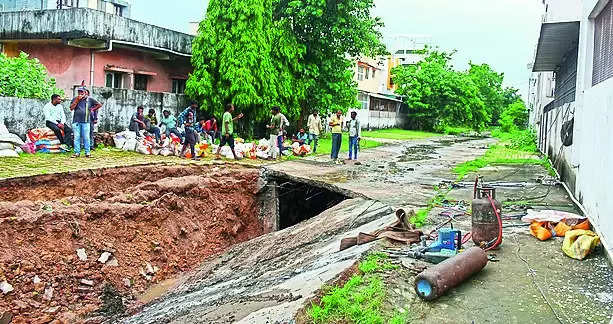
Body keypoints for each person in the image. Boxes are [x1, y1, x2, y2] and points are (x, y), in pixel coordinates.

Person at [70, 86, 101, 158]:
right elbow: (71, 108)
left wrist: (92, 109)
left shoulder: (89, 99)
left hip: (86, 121)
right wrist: (77, 100)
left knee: (86, 137)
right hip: (76, 121)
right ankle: (77, 152)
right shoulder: (75, 99)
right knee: (77, 137)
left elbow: (99, 105)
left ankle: (88, 153)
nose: (80, 93)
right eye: (79, 92)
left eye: (82, 92)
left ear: (85, 93)